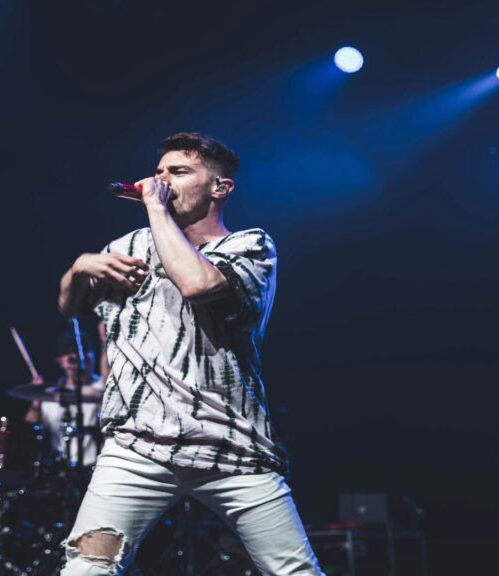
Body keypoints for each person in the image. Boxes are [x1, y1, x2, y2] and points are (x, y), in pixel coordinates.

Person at [56, 133, 322, 575]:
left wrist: (157, 208)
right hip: (136, 448)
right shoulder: (127, 247)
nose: (161, 180)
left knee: (293, 572)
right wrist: (79, 269)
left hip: (232, 448)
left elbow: (196, 285)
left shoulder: (250, 247)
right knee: (86, 568)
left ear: (221, 188)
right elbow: (70, 306)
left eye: (178, 172)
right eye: (159, 172)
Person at [24, 331, 104, 468]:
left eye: (86, 359)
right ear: (60, 362)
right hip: (63, 471)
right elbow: (30, 432)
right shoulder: (51, 395)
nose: (80, 365)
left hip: (98, 467)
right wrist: (35, 402)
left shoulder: (103, 386)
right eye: (72, 360)